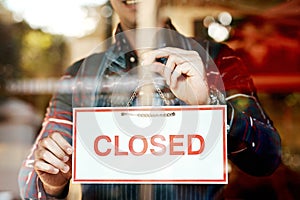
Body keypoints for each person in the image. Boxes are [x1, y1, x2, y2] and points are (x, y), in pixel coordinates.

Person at [18, 0, 281, 199]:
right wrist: (52, 180)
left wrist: (211, 105)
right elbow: (32, 181)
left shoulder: (218, 59)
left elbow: (267, 156)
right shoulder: (79, 76)